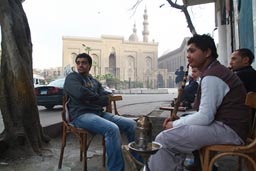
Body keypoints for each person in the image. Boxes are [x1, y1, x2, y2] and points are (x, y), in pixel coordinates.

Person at [148, 34, 251, 171]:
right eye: (188, 51)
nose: (188, 55)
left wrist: (174, 124)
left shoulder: (212, 76)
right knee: (176, 133)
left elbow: (205, 117)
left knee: (164, 139)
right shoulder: (215, 72)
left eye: (192, 51)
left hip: (230, 131)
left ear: (207, 52)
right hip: (229, 127)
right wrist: (180, 123)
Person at [64, 53, 141, 171]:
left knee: (132, 125)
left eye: (84, 63)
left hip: (99, 114)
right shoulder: (72, 78)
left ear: (89, 66)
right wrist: (95, 97)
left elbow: (105, 98)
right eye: (78, 63)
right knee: (112, 129)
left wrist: (90, 98)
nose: (80, 65)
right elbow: (80, 93)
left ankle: (138, 163)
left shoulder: (94, 82)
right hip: (81, 115)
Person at [186, 48, 256, 171]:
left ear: (246, 60)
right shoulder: (244, 74)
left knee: (190, 125)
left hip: (235, 127)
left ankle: (202, 164)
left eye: (234, 59)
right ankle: (202, 163)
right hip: (243, 126)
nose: (230, 62)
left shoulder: (242, 75)